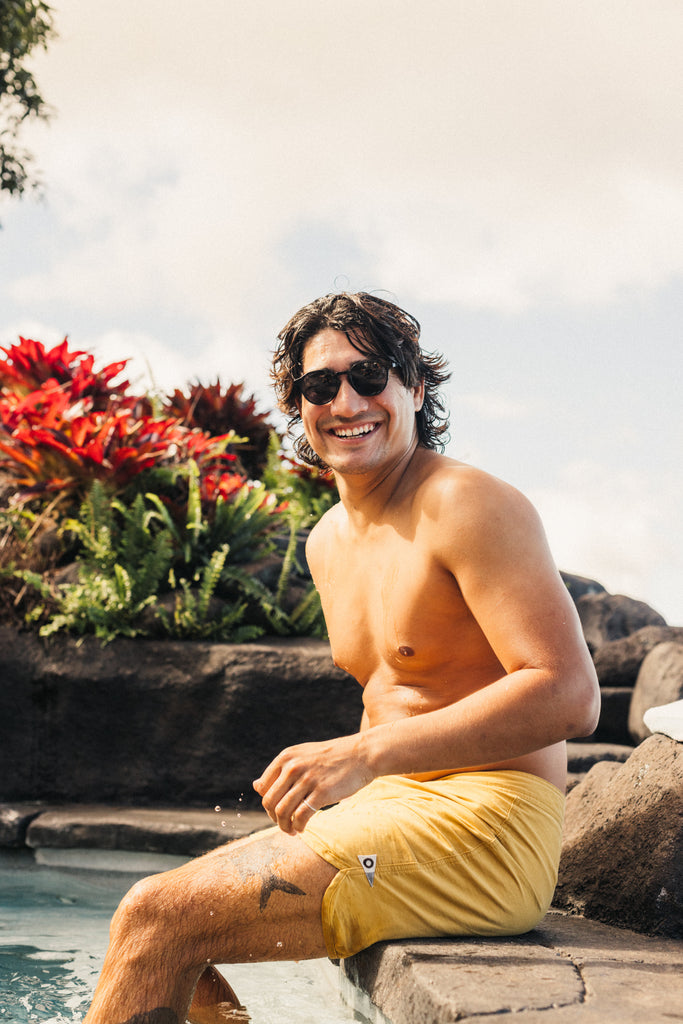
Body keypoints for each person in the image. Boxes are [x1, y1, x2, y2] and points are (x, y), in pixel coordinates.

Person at [83, 292, 600, 1024]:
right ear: (298, 404)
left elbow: (569, 695)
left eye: (369, 375)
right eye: (320, 385)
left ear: (414, 387)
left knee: (156, 918)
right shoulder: (326, 540)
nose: (346, 400)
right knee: (157, 924)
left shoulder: (465, 503)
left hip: (486, 829)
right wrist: (367, 770)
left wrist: (364, 754)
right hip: (393, 815)